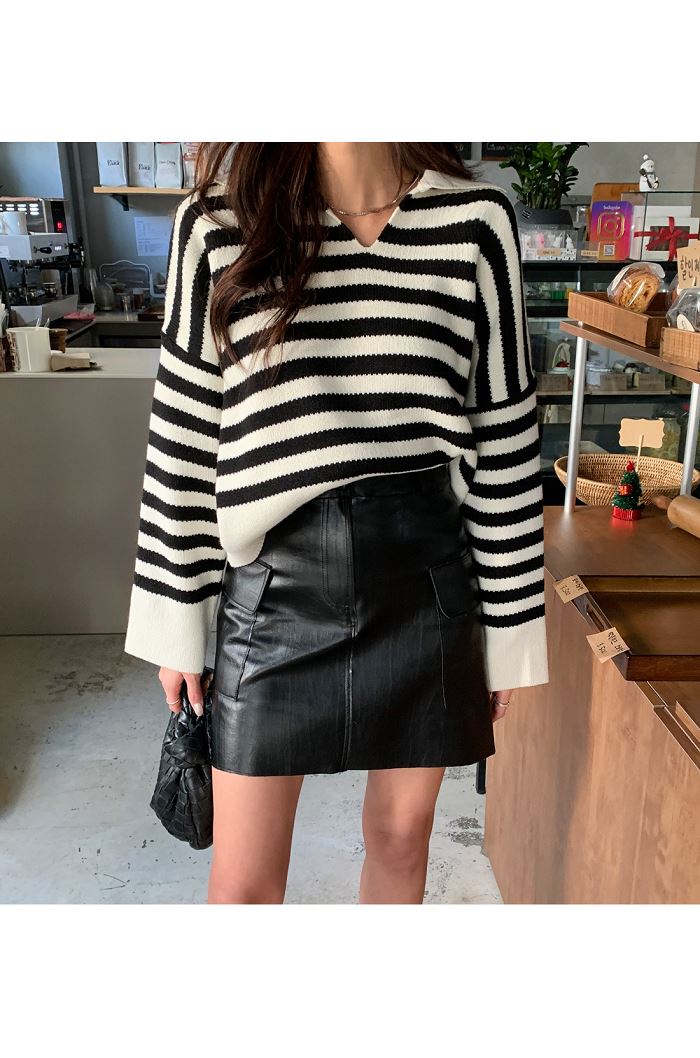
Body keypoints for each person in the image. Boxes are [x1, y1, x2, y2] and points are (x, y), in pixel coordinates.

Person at [124, 142, 549, 904]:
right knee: (244, 885)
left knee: (401, 840)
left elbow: (506, 436)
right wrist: (176, 618)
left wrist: (510, 628)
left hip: (425, 588)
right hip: (274, 597)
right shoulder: (217, 222)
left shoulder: (476, 223)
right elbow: (184, 432)